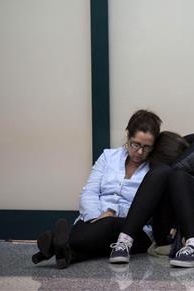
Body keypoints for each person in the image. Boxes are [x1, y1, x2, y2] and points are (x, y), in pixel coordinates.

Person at [31, 109, 162, 269]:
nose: (140, 152)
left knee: (111, 225)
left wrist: (110, 216)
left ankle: (55, 244)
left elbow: (150, 210)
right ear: (128, 135)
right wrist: (97, 218)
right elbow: (90, 192)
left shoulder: (156, 170)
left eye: (147, 147)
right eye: (136, 144)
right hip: (94, 222)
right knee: (102, 230)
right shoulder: (108, 157)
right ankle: (65, 252)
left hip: (134, 232)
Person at [108, 131, 194, 268]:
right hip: (168, 233)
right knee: (163, 173)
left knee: (178, 177)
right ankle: (124, 242)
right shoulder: (163, 172)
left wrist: (186, 180)